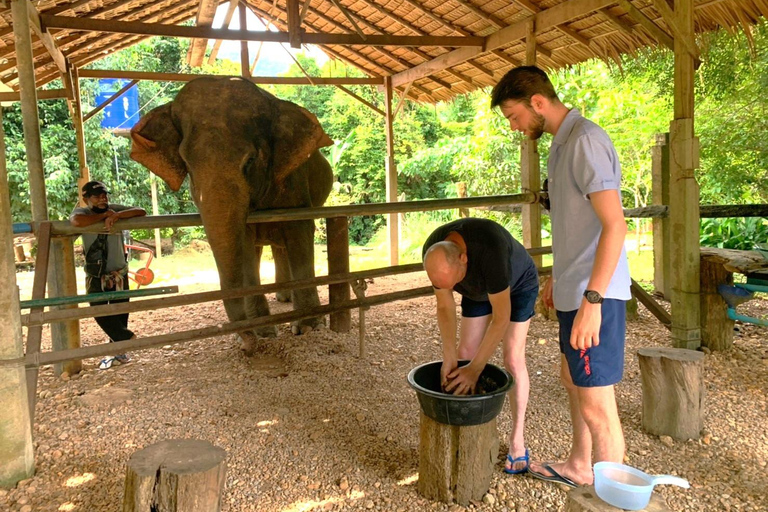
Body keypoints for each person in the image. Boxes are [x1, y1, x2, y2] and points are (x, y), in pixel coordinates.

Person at [491, 66, 631, 487]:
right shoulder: (559, 143)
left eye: (514, 116)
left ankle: (613, 495)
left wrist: (592, 300)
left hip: (596, 295)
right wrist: (558, 275)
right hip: (577, 286)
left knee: (597, 404)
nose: (515, 126)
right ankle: (579, 466)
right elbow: (575, 223)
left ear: (537, 103)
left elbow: (616, 225)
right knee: (573, 379)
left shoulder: (586, 140)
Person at [422, 218, 539, 474]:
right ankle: (467, 430)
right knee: (464, 355)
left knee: (512, 360)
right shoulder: (435, 252)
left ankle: (517, 440)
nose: (450, 289)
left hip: (517, 286)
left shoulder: (490, 250)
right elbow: (444, 305)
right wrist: (449, 356)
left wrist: (476, 369)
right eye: (447, 285)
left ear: (464, 258)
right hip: (477, 290)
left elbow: (501, 318)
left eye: (454, 282)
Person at [70, 181, 146, 370]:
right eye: (97, 196)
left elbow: (141, 211)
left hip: (119, 271)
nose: (103, 199)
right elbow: (76, 222)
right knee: (98, 309)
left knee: (120, 312)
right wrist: (105, 216)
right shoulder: (82, 213)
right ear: (86, 199)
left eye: (105, 195)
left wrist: (117, 215)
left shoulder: (114, 209)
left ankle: (119, 352)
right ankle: (125, 338)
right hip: (96, 274)